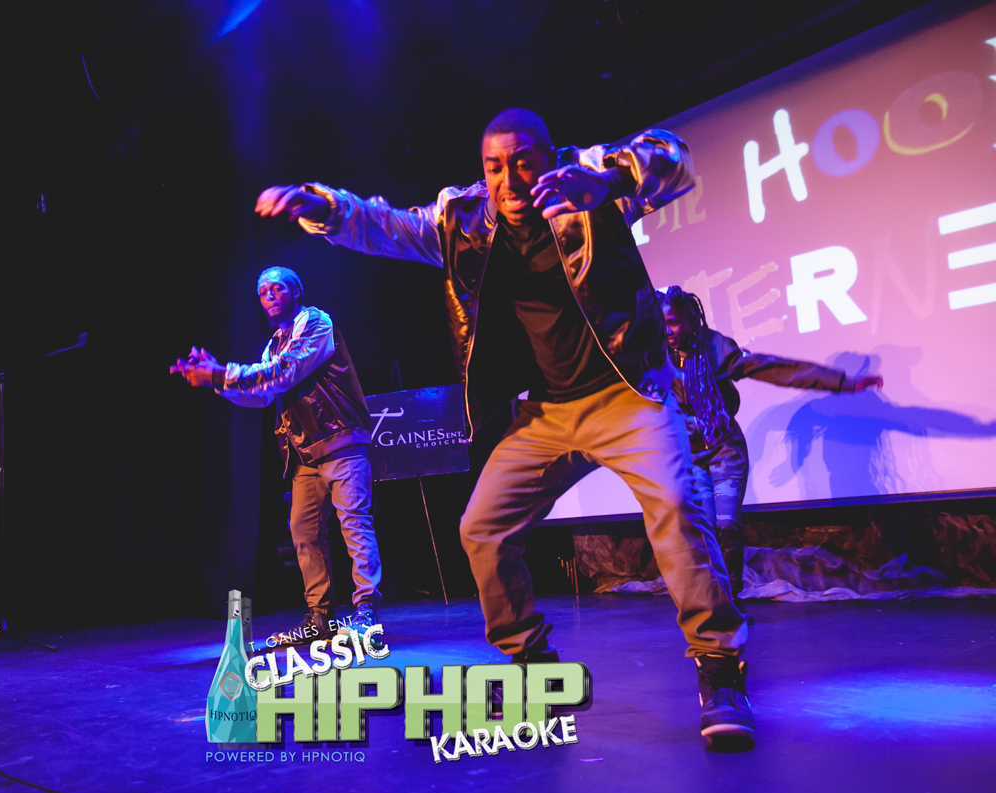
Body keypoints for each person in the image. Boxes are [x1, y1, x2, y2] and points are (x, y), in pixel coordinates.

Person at [255, 109, 754, 745]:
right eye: (494, 167)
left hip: (627, 395)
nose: (510, 180)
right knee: (482, 530)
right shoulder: (463, 219)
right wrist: (321, 206)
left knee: (679, 507)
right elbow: (387, 226)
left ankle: (720, 670)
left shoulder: (585, 181)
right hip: (546, 411)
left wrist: (610, 183)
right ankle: (532, 664)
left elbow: (674, 160)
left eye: (522, 162)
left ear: (547, 154)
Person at [171, 266, 383, 646]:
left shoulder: (316, 323)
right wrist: (217, 382)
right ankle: (320, 617)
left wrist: (221, 373)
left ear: (296, 292)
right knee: (303, 532)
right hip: (304, 453)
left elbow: (285, 373)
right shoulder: (274, 344)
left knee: (354, 524)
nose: (268, 296)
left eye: (276, 288)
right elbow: (263, 395)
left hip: (340, 439)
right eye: (262, 292)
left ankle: (366, 611)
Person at [655, 285, 883, 602]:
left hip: (724, 451)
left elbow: (773, 368)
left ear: (692, 319)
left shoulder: (714, 350)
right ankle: (712, 602)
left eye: (673, 323)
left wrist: (843, 382)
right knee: (703, 532)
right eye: (662, 324)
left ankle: (732, 603)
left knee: (726, 527)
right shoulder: (655, 358)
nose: (667, 331)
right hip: (690, 456)